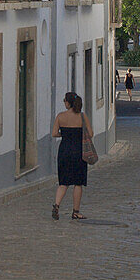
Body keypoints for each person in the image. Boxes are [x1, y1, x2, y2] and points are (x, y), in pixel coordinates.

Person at [51, 92, 93, 221]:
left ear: (68, 103)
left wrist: (64, 135)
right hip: (78, 151)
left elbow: (54, 133)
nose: (64, 102)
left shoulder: (60, 116)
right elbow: (90, 133)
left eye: (64, 100)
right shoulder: (82, 116)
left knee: (63, 182)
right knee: (78, 183)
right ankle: (75, 212)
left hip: (64, 150)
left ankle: (57, 205)